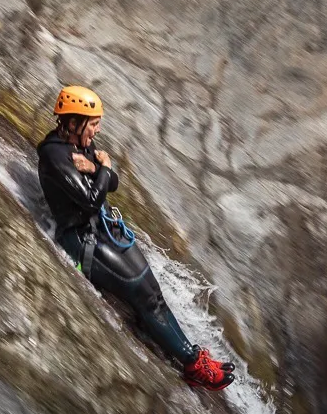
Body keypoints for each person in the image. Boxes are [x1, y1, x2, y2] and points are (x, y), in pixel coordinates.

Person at [37, 85, 235, 391]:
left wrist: (97, 167)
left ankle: (192, 354)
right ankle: (193, 365)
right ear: (74, 123)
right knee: (144, 295)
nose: (97, 129)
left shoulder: (82, 148)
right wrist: (102, 167)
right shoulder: (55, 155)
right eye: (93, 124)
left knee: (153, 291)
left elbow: (111, 182)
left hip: (101, 230)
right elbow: (91, 199)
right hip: (80, 239)